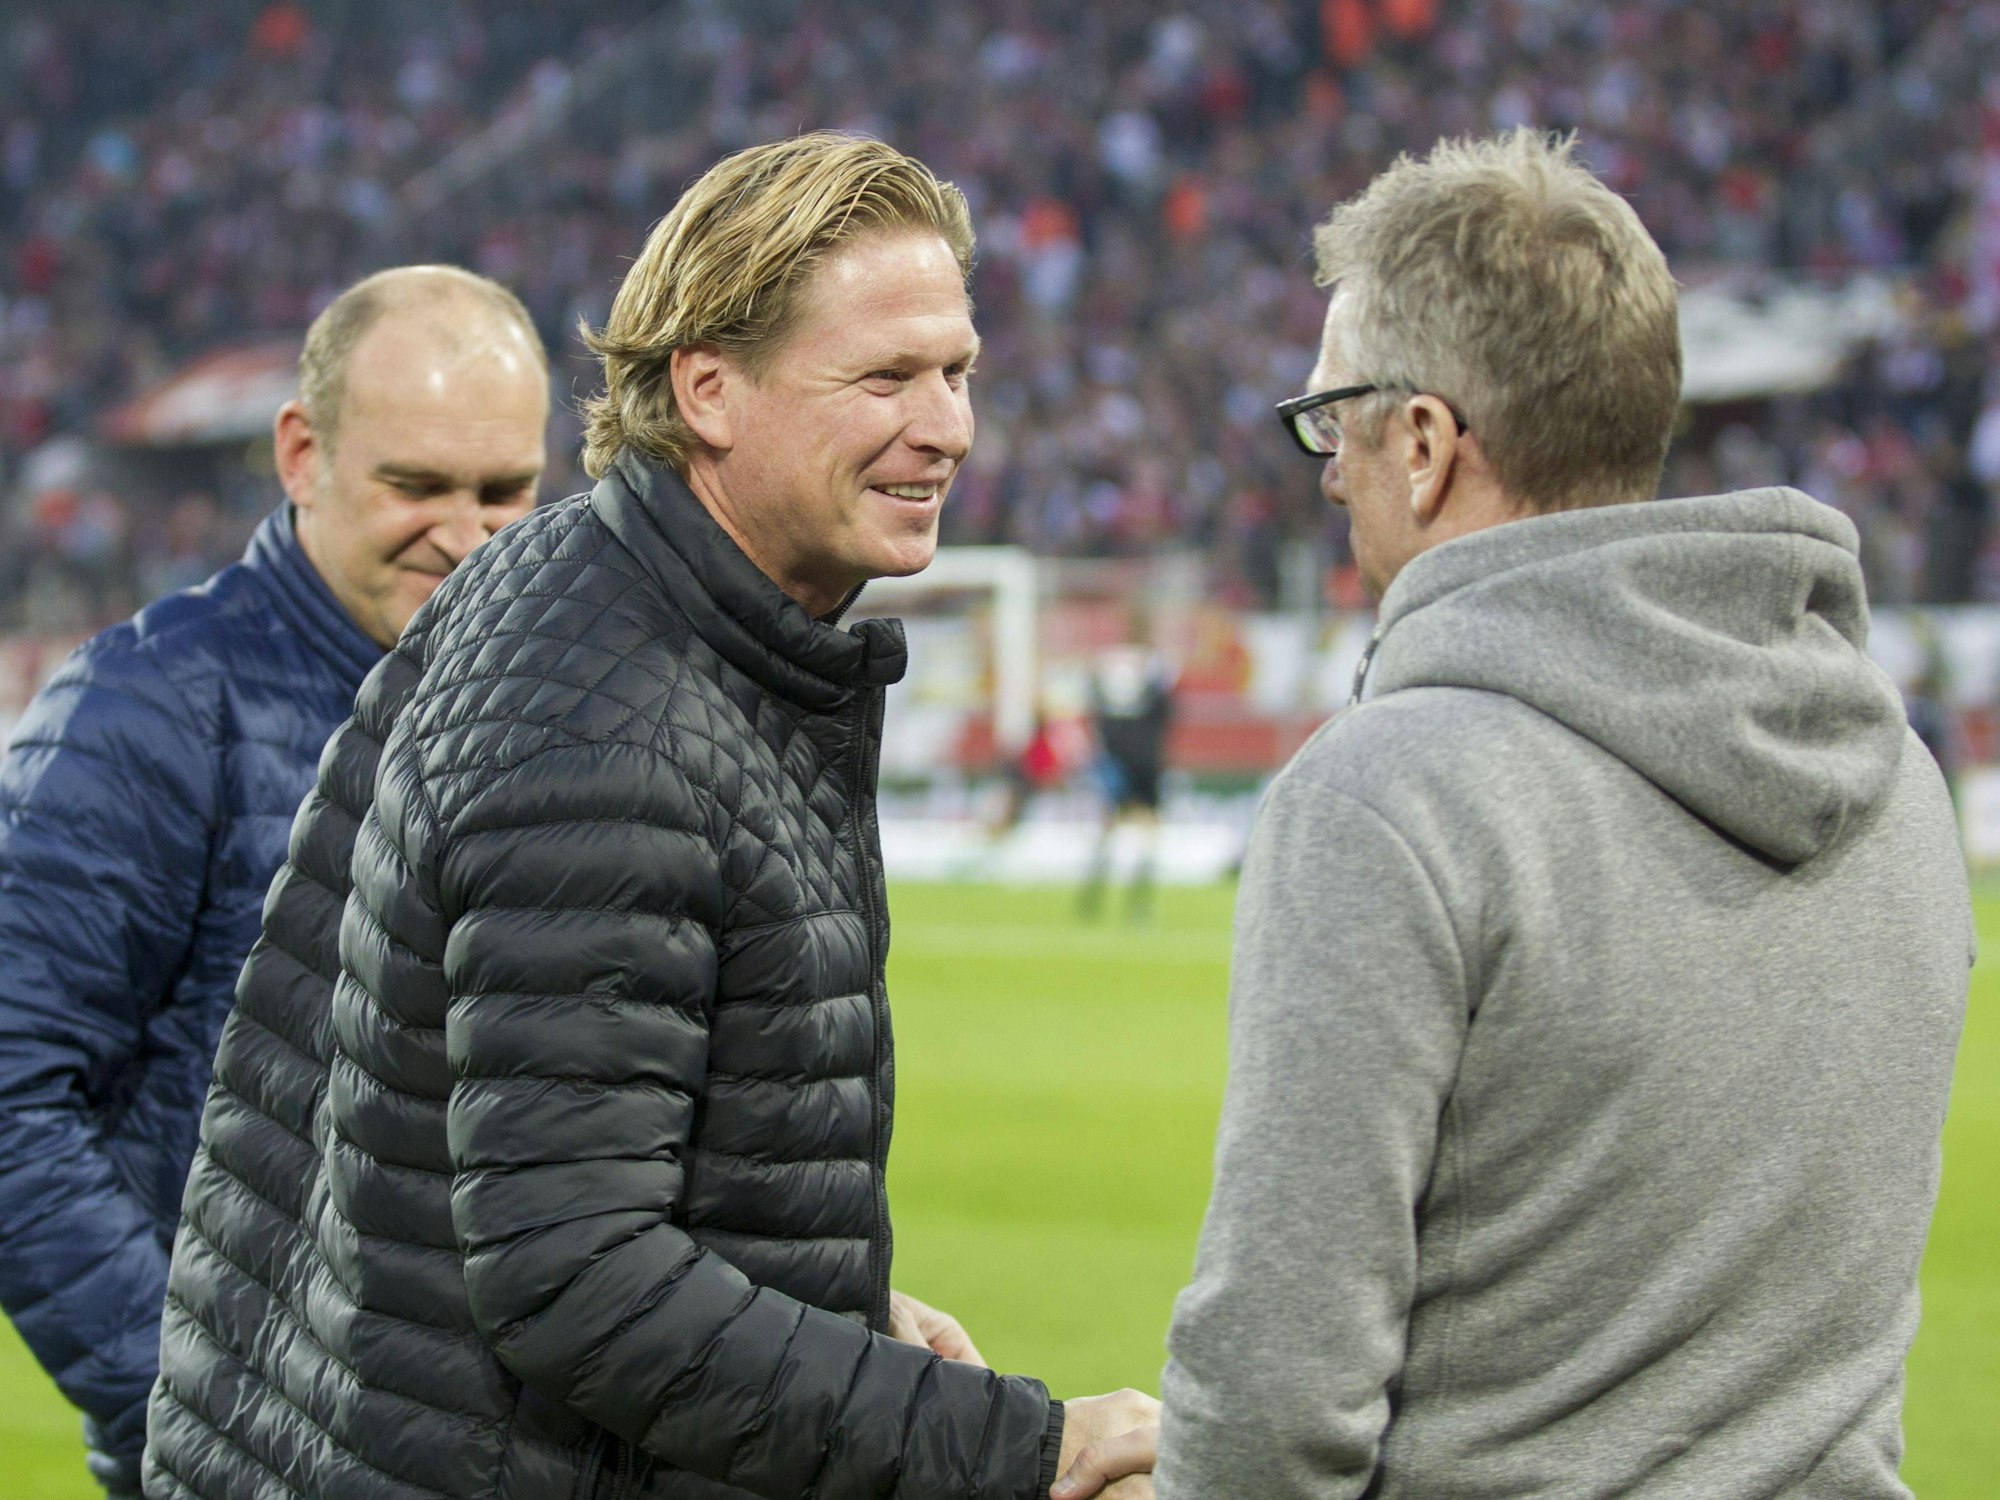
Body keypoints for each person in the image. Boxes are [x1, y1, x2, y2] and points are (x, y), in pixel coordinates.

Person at [145, 133, 1158, 1500]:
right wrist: (1026, 1451)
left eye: (957, 372)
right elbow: (575, 1276)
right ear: (709, 390)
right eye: (885, 378)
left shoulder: (605, 597)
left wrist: (843, 1325)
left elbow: (571, 1154)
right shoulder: (610, 719)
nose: (949, 426)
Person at [1150, 130, 1971, 1499]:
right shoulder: (1897, 776)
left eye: (1330, 420)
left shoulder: (1387, 794)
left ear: (1421, 441)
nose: (1325, 469)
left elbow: (1275, 1403)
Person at [0, 264, 549, 1497]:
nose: (462, 534)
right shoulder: (143, 712)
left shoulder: (542, 714)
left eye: (501, 493)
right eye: (413, 485)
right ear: (301, 454)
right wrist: (211, 1420)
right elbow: (9, 1098)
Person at [1077, 643, 1177, 919]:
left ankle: (1094, 900)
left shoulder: (1113, 719)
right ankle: (1133, 904)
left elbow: (1096, 711)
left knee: (1112, 835)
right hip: (1143, 771)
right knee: (1141, 837)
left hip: (1127, 771)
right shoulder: (1149, 712)